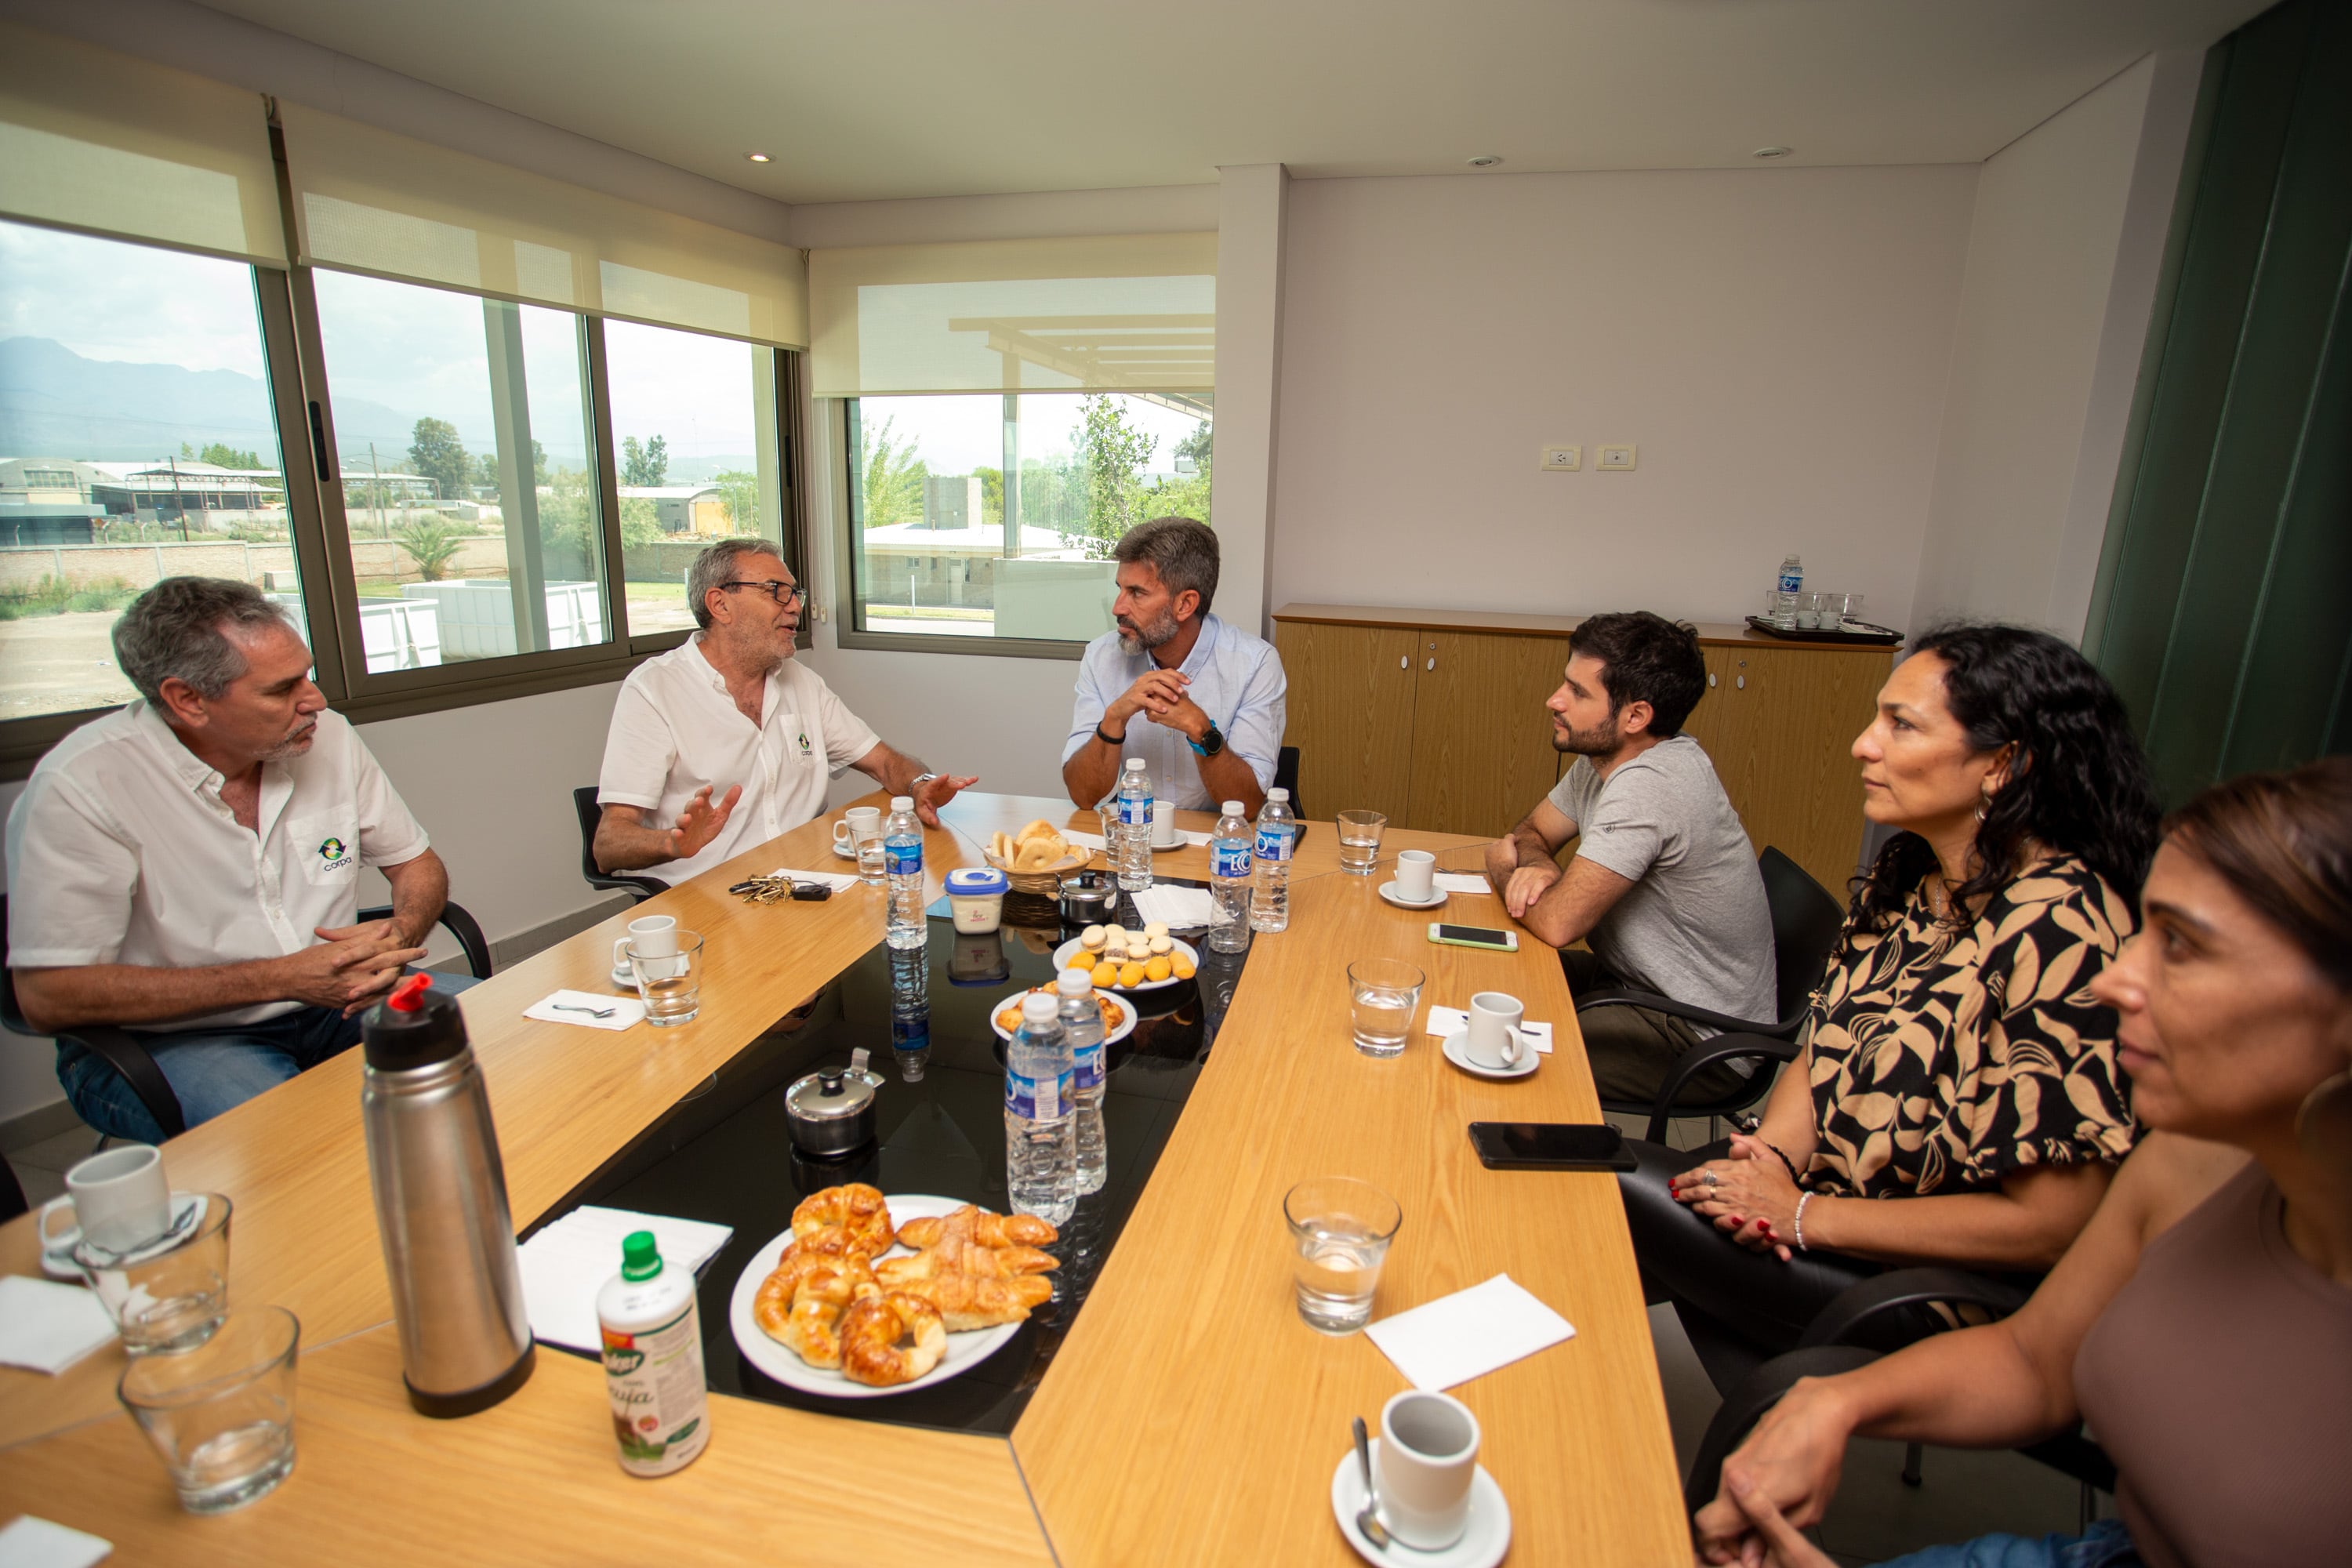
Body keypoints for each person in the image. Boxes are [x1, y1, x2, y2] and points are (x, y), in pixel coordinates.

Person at [1694, 759, 2352, 1568]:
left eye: (2180, 945)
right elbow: (2033, 1358)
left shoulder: (2055, 920)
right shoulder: (2188, 1163)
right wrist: (1836, 1398)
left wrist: (1803, 1211)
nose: (2114, 980)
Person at [1619, 625, 2160, 1390]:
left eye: (1901, 724)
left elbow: (2050, 1224)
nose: (1863, 745)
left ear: (2003, 764)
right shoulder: (1916, 877)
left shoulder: (2063, 929)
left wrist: (1802, 1213)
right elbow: (1825, 1043)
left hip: (1923, 1277)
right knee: (1585, 1220)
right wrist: (1771, 1159)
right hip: (1815, 1202)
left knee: (1605, 1190)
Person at [5, 578, 458, 1140]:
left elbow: (416, 864)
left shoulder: (328, 737)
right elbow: (48, 995)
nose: (314, 699)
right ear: (187, 700)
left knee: (512, 1044)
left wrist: (398, 938)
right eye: (282, 689)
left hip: (340, 1003)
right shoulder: (83, 786)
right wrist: (281, 979)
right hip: (174, 1038)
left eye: (308, 673)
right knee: (296, 1145)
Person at [1482, 612, 1775, 1104]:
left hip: (1698, 1036)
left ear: (1635, 717)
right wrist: (1539, 863)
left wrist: (1504, 867)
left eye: (1578, 693)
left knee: (1489, 1054)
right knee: (1481, 983)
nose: (1554, 700)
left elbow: (1556, 923)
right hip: (1633, 984)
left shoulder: (1653, 783)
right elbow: (1532, 831)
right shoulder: (1605, 759)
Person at [595, 538, 976, 885]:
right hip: (710, 895)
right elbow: (608, 845)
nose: (795, 606)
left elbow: (884, 763)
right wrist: (672, 843)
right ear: (720, 604)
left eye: (795, 593)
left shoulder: (801, 682)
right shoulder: (653, 690)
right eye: (776, 592)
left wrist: (918, 784)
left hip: (807, 880)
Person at [1061, 517, 1286, 815]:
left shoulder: (1254, 664)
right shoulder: (1101, 657)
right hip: (1133, 838)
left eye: (1137, 593)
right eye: (1120, 589)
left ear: (1185, 605)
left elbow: (1249, 806)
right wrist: (1114, 719)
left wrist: (1202, 731)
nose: (1118, 608)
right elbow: (1083, 795)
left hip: (1219, 845)